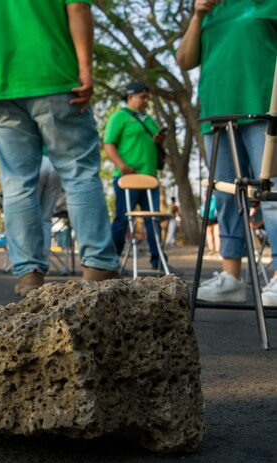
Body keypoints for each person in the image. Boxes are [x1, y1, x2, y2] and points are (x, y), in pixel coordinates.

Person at [0, 0, 120, 296]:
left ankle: (29, 274)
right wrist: (86, 70)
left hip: (0, 88)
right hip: (55, 78)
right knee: (78, 174)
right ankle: (98, 265)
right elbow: (78, 8)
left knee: (17, 184)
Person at [177, 0, 277, 304]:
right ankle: (231, 276)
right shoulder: (210, 12)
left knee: (271, 194)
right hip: (217, 117)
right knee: (226, 197)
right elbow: (184, 60)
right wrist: (197, 14)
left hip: (262, 110)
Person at [104, 81, 169, 272]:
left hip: (150, 177)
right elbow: (108, 143)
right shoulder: (120, 117)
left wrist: (159, 141)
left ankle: (158, 261)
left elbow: (156, 145)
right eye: (142, 96)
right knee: (123, 219)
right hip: (128, 178)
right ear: (130, 96)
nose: (146, 100)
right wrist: (122, 166)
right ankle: (112, 260)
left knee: (153, 221)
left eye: (147, 97)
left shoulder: (150, 120)